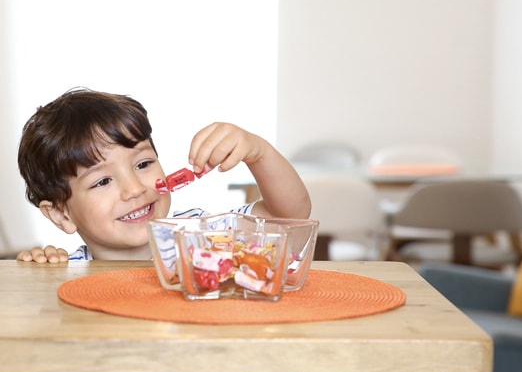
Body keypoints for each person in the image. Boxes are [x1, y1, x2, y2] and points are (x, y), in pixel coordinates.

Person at [16, 88, 311, 262]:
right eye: (103, 181)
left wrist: (258, 153)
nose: (134, 189)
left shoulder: (204, 236)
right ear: (61, 215)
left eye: (143, 164)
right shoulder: (68, 273)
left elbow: (290, 220)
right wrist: (40, 272)